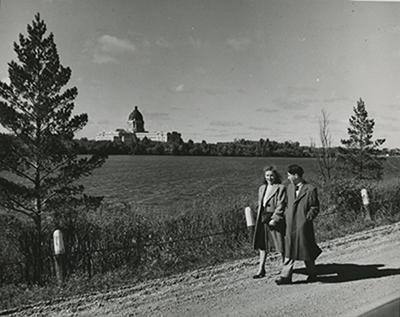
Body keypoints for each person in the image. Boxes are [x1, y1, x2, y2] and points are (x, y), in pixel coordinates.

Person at [275, 164, 322, 285]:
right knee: (289, 249)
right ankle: (285, 276)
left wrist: (307, 219)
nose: (288, 177)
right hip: (290, 224)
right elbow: (285, 204)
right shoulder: (289, 188)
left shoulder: (310, 189)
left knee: (306, 249)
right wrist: (285, 215)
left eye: (289, 175)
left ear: (296, 175)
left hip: (303, 225)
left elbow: (314, 207)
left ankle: (312, 273)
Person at [252, 166, 286, 279]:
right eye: (267, 175)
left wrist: (275, 218)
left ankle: (285, 269)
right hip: (262, 218)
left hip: (274, 219)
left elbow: (281, 204)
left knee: (279, 244)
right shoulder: (262, 188)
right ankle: (261, 269)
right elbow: (260, 203)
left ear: (275, 176)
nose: (269, 178)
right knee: (263, 245)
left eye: (271, 175)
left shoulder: (281, 188)